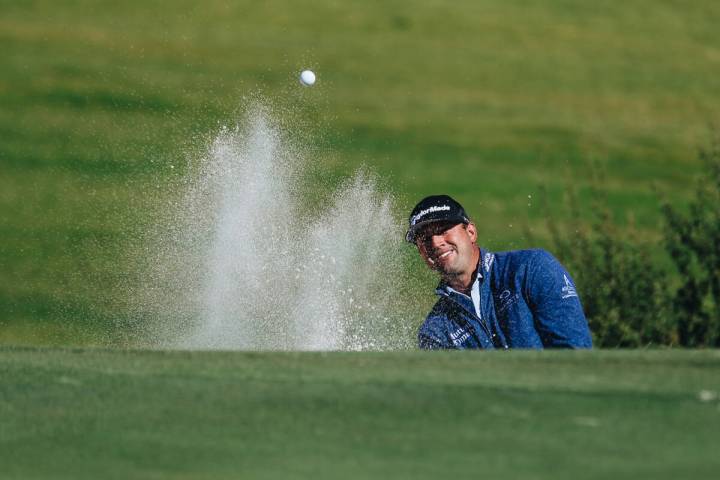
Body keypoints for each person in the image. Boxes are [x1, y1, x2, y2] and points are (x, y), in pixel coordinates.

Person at [406, 194, 592, 350]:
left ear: (471, 232)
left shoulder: (531, 268)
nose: (436, 243)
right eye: (424, 239)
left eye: (442, 229)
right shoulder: (435, 331)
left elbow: (575, 353)